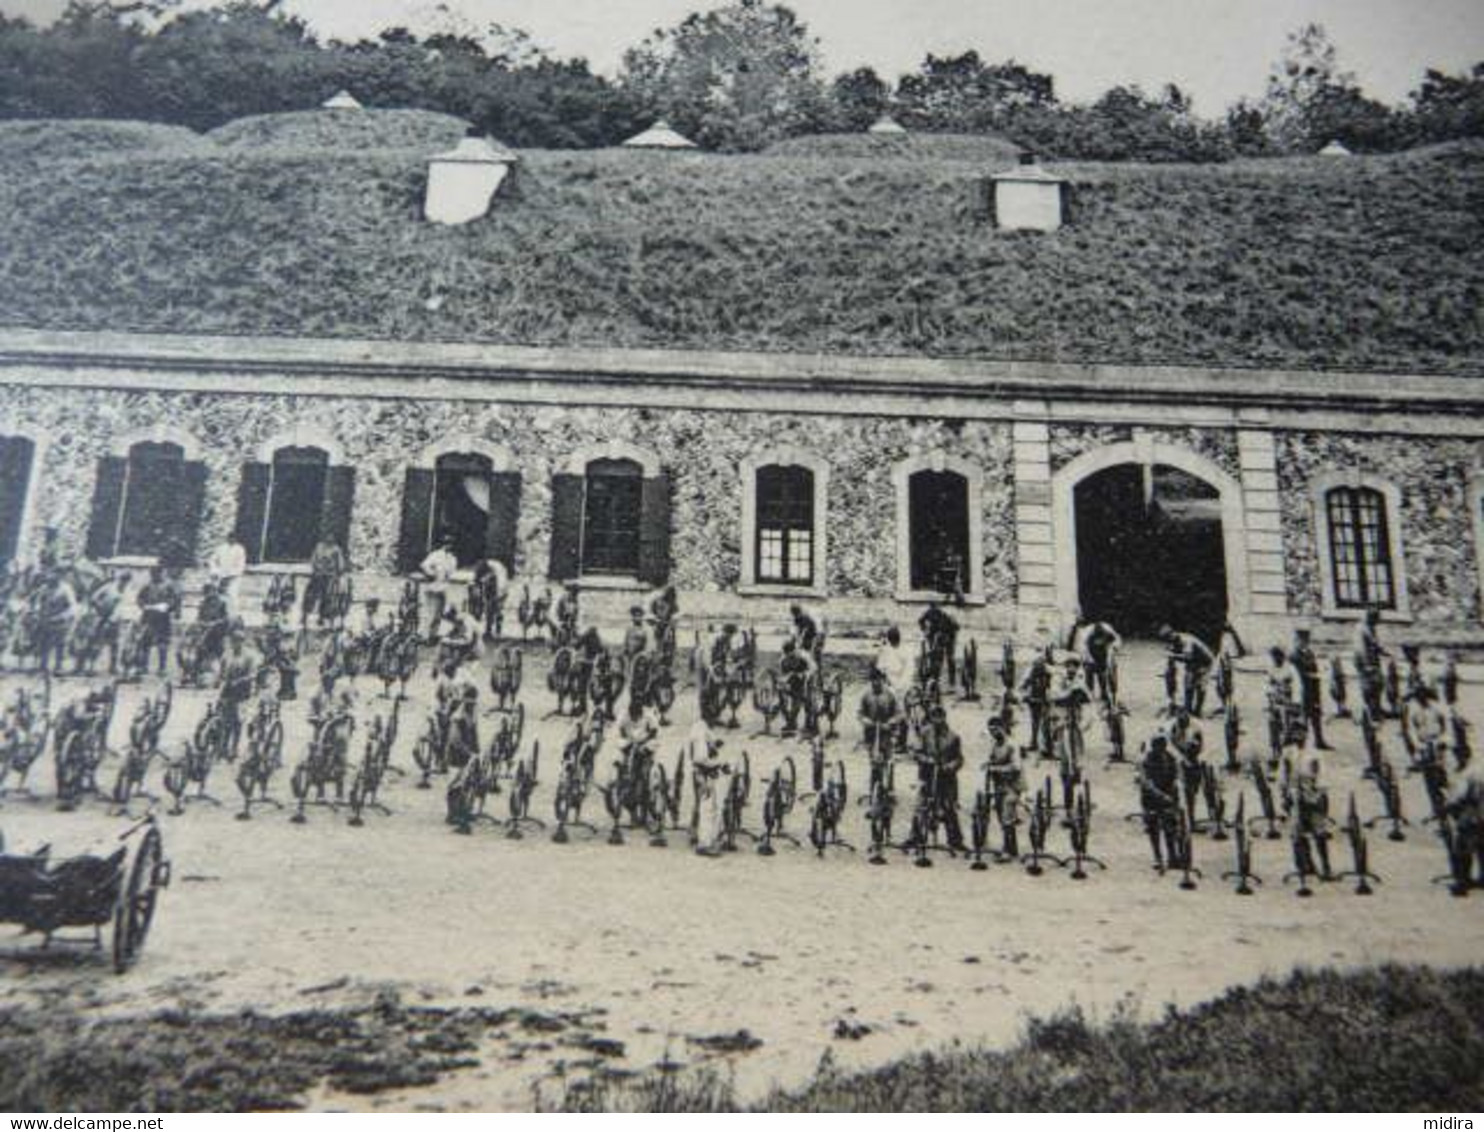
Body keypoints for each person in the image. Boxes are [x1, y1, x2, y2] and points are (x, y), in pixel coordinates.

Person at [907, 704, 966, 852]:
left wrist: (949, 766)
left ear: (944, 718)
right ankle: (915, 837)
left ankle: (955, 841)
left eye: (940, 717)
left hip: (946, 779)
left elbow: (959, 759)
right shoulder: (924, 733)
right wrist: (927, 760)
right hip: (926, 776)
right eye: (934, 717)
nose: (937, 720)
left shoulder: (953, 737)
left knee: (949, 808)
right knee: (920, 806)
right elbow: (916, 752)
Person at [1138, 733, 1182, 872]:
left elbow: (1176, 776)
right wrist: (1161, 795)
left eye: (1162, 746)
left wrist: (1173, 790)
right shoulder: (1146, 760)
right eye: (1157, 746)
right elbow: (1147, 783)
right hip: (1150, 799)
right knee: (1154, 829)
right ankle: (1157, 857)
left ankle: (1172, 857)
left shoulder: (1170, 758)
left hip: (1167, 798)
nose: (1160, 749)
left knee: (1170, 828)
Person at [218, 625, 258, 759]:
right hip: (228, 690)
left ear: (242, 641)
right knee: (225, 719)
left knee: (237, 721)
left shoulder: (249, 656)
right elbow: (221, 671)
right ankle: (223, 746)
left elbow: (253, 675)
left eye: (238, 641)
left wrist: (240, 681)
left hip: (242, 692)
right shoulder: (227, 654)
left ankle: (234, 747)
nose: (235, 643)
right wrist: (220, 680)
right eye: (233, 640)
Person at [1289, 628, 1332, 751]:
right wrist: (1315, 675)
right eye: (1301, 640)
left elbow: (1314, 668)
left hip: (1313, 689)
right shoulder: (1293, 655)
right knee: (1303, 718)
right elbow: (1298, 674)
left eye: (1306, 640)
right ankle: (1299, 744)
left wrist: (1319, 674)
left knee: (1316, 716)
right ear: (1297, 640)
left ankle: (1319, 741)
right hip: (1302, 691)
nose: (1304, 643)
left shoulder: (1309, 653)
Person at [857, 668, 901, 787]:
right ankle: (875, 783)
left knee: (887, 757)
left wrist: (890, 723)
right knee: (873, 758)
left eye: (878, 680)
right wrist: (866, 721)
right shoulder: (866, 695)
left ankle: (888, 783)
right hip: (871, 732)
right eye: (873, 680)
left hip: (887, 732)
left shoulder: (890, 694)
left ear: (882, 680)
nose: (876, 683)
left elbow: (898, 713)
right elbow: (860, 713)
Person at [1160, 625, 1216, 717]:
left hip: (1204, 662)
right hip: (1194, 662)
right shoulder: (1175, 640)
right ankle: (1188, 709)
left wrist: (1173, 655)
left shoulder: (1186, 640)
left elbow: (1188, 657)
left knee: (1200, 685)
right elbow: (1174, 656)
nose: (1168, 642)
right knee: (1188, 684)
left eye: (1168, 639)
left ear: (1172, 635)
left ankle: (1197, 710)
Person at [1069, 613, 1121, 707]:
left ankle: (1106, 694)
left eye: (1101, 639)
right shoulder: (1086, 633)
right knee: (1089, 672)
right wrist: (1090, 660)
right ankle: (1090, 693)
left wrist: (1113, 650)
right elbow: (1083, 649)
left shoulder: (1107, 629)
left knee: (1106, 674)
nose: (1099, 641)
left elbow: (1117, 640)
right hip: (1090, 654)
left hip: (1104, 653)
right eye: (1098, 639)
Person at [135, 567, 179, 677]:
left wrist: (168, 606)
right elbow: (140, 599)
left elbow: (175, 600)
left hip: (162, 619)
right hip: (148, 617)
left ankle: (162, 668)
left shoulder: (169, 586)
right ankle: (143, 667)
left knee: (162, 644)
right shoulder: (147, 586)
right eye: (154, 574)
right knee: (145, 643)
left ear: (162, 573)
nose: (156, 576)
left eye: (158, 573)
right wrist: (144, 606)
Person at [306, 536, 350, 629]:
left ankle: (324, 617)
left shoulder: (335, 549)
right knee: (323, 596)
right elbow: (313, 560)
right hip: (323, 576)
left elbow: (340, 565)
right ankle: (317, 616)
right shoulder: (323, 547)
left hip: (327, 576)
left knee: (327, 597)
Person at [417, 537, 458, 636]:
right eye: (447, 544)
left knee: (438, 613)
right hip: (432, 586)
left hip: (442, 588)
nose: (449, 546)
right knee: (429, 611)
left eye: (451, 544)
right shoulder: (436, 555)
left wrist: (447, 577)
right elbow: (424, 565)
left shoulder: (453, 559)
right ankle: (424, 634)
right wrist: (431, 573)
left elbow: (451, 573)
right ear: (444, 545)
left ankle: (432, 634)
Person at [1353, 609, 1387, 720]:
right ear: (1370, 618)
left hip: (1374, 662)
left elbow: (1375, 644)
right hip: (1365, 664)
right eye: (1375, 620)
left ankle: (1376, 709)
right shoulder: (1361, 629)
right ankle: (1367, 713)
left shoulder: (1371, 628)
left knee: (1378, 685)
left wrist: (1383, 652)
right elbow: (1360, 649)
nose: (1377, 623)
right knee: (1368, 688)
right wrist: (1366, 665)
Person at [918, 602, 959, 688]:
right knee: (936, 656)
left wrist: (948, 637)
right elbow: (920, 620)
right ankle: (935, 679)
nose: (933, 612)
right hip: (937, 635)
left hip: (950, 635)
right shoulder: (928, 613)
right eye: (932, 609)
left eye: (935, 609)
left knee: (950, 657)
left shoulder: (946, 616)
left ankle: (952, 681)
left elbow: (956, 627)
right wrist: (925, 630)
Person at [778, 638, 812, 737]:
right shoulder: (783, 660)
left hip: (806, 677)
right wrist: (785, 682)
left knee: (804, 701)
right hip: (793, 679)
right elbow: (783, 673)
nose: (788, 656)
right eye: (787, 654)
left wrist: (804, 675)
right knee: (787, 699)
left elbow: (813, 668)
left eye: (791, 654)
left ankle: (809, 723)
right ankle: (791, 722)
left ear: (794, 651)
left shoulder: (803, 656)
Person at [469, 557, 508, 641]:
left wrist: (497, 595)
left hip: (499, 588)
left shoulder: (497, 571)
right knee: (489, 609)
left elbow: (499, 586)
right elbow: (477, 581)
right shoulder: (488, 568)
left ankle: (496, 631)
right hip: (493, 587)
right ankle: (488, 631)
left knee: (496, 610)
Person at [208, 537, 248, 615]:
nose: (231, 540)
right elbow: (212, 560)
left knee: (232, 596)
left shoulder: (240, 549)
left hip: (233, 578)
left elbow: (241, 565)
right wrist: (215, 570)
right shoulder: (221, 548)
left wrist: (231, 574)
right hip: (220, 575)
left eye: (233, 539)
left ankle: (232, 615)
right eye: (230, 538)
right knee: (215, 594)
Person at [873, 625, 915, 697]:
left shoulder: (906, 650)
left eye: (894, 639)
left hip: (903, 684)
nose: (892, 641)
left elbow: (909, 670)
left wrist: (900, 685)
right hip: (890, 684)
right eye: (891, 639)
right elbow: (880, 668)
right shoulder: (885, 650)